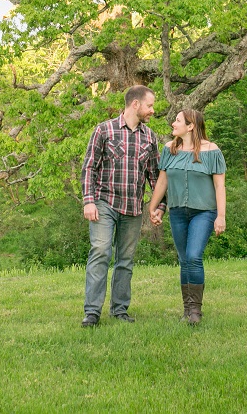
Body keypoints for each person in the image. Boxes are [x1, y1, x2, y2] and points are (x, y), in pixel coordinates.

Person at [80, 85, 160, 327]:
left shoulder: (150, 137)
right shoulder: (104, 130)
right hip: (104, 203)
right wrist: (89, 201)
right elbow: (89, 167)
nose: (152, 110)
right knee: (101, 252)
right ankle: (92, 312)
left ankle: (120, 310)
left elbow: (155, 177)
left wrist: (159, 207)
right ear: (135, 104)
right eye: (150, 105)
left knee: (125, 260)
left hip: (133, 207)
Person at [148, 108, 226, 325]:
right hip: (178, 213)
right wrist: (152, 208)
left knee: (193, 256)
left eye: (178, 120)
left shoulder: (212, 151)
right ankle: (187, 310)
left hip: (204, 212)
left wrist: (221, 216)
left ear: (191, 126)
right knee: (184, 261)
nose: (173, 123)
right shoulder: (169, 149)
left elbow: (220, 186)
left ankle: (196, 311)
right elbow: (162, 181)